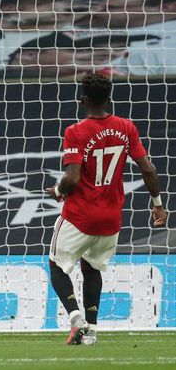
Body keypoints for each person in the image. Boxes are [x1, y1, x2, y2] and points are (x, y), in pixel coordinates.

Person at [45, 73, 167, 345]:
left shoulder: (75, 131)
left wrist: (57, 191)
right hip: (111, 219)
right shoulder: (126, 127)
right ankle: (92, 332)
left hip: (80, 216)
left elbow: (73, 178)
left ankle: (76, 319)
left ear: (83, 99)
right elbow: (148, 168)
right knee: (91, 268)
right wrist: (158, 204)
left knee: (56, 266)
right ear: (108, 98)